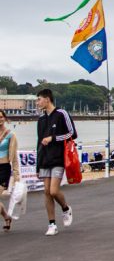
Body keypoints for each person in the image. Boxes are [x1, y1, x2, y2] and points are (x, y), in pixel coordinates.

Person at [35, 88, 77, 236]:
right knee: (46, 192)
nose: (37, 102)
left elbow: (72, 133)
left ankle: (66, 208)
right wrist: (37, 165)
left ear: (47, 99)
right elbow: (39, 143)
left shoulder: (61, 114)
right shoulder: (41, 120)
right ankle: (52, 224)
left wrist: (53, 138)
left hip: (59, 158)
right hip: (45, 159)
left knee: (53, 190)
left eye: (39, 99)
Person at [0, 110, 22, 231]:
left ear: (5, 118)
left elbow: (13, 157)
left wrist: (16, 175)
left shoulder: (10, 135)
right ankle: (7, 217)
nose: (0, 119)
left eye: (1, 117)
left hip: (3, 169)